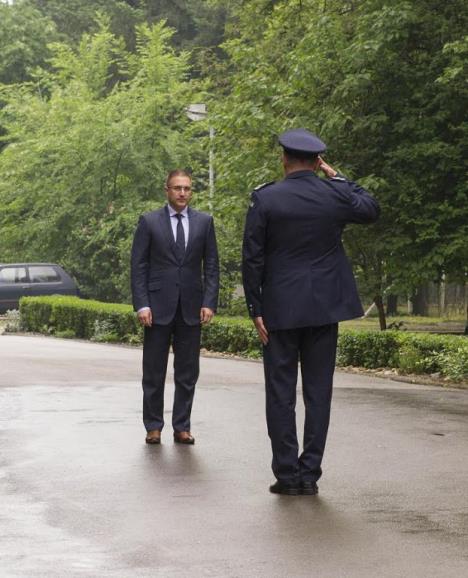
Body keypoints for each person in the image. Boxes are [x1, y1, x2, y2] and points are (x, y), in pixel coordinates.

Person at [242, 129, 380, 495]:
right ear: (317, 162)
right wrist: (337, 177)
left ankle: (287, 476)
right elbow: (370, 208)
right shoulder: (333, 195)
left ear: (284, 159)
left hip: (279, 310)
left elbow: (252, 257)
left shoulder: (266, 198)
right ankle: (310, 474)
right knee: (319, 392)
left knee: (280, 392)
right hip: (323, 310)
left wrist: (255, 308)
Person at [131, 169, 219, 445]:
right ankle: (153, 426)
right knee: (154, 371)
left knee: (187, 372)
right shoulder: (149, 221)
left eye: (187, 188)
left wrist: (209, 301)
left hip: (192, 308)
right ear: (166, 190)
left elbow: (212, 266)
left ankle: (182, 426)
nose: (182, 193)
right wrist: (142, 304)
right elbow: (139, 267)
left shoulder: (205, 222)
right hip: (156, 308)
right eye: (177, 188)